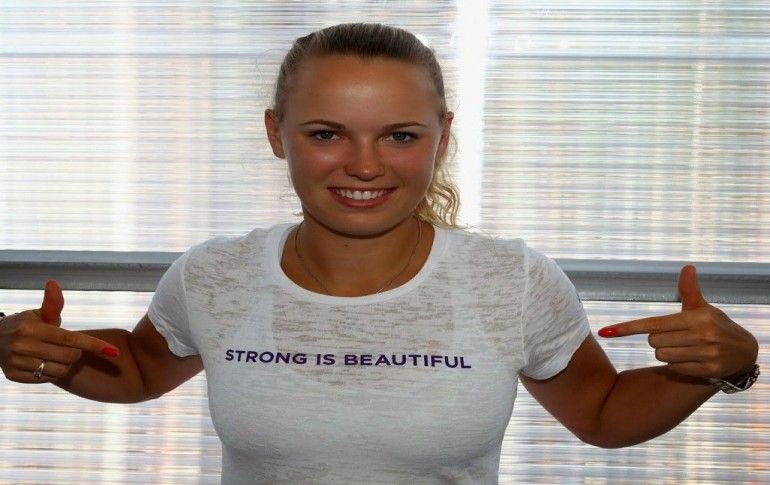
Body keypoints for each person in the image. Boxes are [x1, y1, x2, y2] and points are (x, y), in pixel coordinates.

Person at [0, 23, 760, 484]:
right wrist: (50, 354)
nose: (364, 165)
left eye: (399, 135)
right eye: (326, 133)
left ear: (442, 137)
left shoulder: (511, 279)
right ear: (276, 134)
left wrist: (725, 365)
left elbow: (601, 414)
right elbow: (137, 369)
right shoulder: (214, 275)